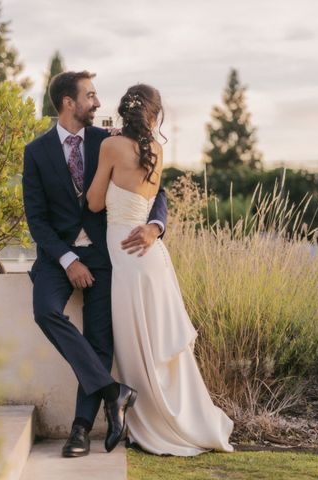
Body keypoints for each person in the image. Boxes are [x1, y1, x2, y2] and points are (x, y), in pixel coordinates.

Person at [21, 71, 168, 457]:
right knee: (45, 311)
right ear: (69, 102)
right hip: (58, 258)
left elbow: (158, 187)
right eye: (90, 95)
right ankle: (110, 390)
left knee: (99, 341)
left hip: (105, 257)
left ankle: (81, 429)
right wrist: (68, 259)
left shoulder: (110, 141)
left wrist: (156, 225)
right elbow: (36, 219)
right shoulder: (35, 152)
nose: (98, 103)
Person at [86, 84, 234, 456]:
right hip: (151, 258)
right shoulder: (158, 150)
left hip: (127, 257)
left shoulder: (110, 147)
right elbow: (151, 196)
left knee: (136, 346)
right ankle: (176, 417)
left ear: (124, 111)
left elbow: (93, 202)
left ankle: (151, 423)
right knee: (155, 346)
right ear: (154, 115)